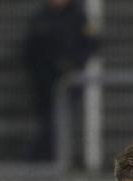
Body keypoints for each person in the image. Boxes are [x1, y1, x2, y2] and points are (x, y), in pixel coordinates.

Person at [24, 0, 97, 161]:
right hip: (45, 82)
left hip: (69, 80)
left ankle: (54, 158)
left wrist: (73, 64)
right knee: (48, 122)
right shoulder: (41, 17)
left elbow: (90, 44)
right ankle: (46, 158)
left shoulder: (77, 17)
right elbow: (30, 49)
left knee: (62, 122)